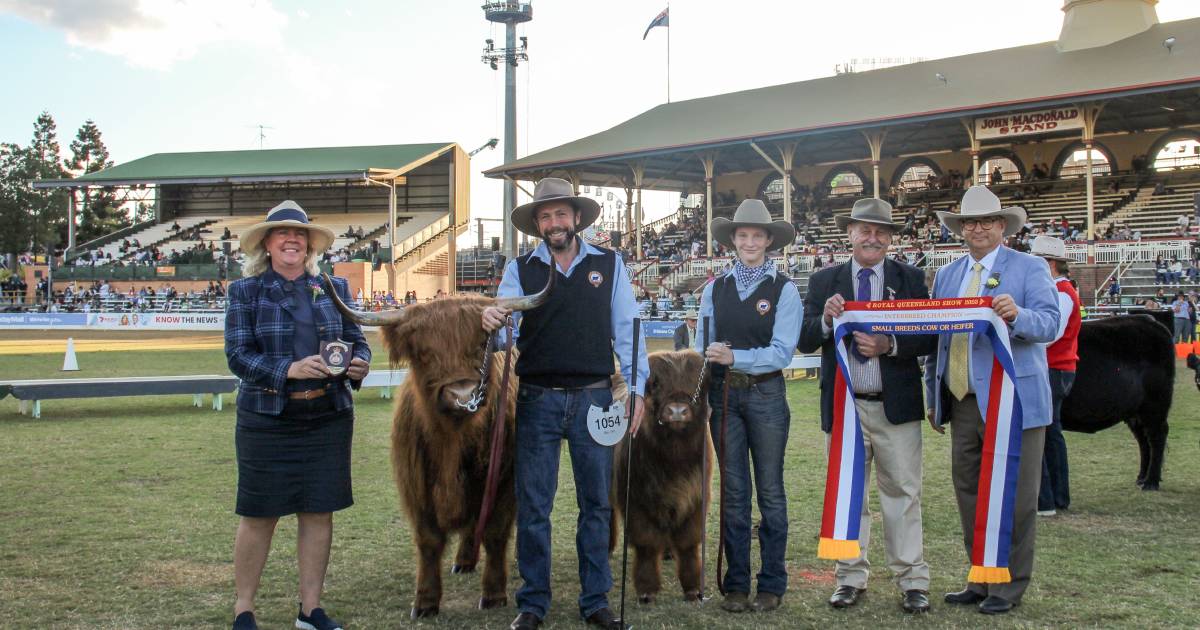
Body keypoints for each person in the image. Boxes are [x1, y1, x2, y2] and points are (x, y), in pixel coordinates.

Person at [481, 178, 648, 630]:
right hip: (537, 400)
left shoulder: (610, 265)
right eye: (545, 216)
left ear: (576, 218)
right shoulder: (520, 269)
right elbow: (500, 332)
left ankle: (595, 601)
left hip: (596, 398)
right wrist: (491, 319)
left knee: (596, 504)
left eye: (560, 214)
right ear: (537, 224)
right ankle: (532, 603)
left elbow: (629, 332)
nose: (553, 223)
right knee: (534, 506)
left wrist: (635, 391)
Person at [224, 200, 371, 630]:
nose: (293, 240)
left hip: (327, 416)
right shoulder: (244, 291)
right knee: (259, 514)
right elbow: (237, 356)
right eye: (283, 234)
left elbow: (356, 340)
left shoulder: (334, 288)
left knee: (318, 512)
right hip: (267, 418)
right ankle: (244, 609)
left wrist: (360, 363)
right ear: (266, 245)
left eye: (300, 234)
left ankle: (310, 610)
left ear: (309, 245)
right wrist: (287, 370)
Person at [924, 185, 1059, 615]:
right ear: (961, 229)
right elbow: (937, 341)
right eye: (970, 222)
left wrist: (1017, 315)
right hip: (963, 398)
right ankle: (981, 576)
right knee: (968, 490)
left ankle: (1009, 584)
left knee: (1016, 495)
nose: (977, 228)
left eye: (986, 221)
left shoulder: (1030, 267)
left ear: (1003, 226)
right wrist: (934, 393)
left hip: (1014, 399)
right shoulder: (947, 275)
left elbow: (1051, 325)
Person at [798, 198, 936, 614]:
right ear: (850, 234)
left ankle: (912, 579)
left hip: (895, 406)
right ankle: (849, 576)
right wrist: (825, 320)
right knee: (848, 496)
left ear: (890, 238)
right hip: (844, 408)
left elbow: (931, 335)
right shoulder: (825, 280)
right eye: (864, 229)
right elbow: (804, 339)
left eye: (880, 231)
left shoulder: (909, 277)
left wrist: (890, 345)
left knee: (903, 494)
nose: (872, 237)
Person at [695, 199, 800, 614]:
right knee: (735, 492)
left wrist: (735, 357)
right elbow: (704, 340)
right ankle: (737, 583)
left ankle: (771, 582)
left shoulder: (784, 289)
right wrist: (709, 354)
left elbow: (781, 352)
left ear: (769, 240)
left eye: (757, 235)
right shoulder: (715, 288)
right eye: (743, 235)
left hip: (766, 396)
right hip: (724, 398)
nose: (750, 241)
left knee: (770, 491)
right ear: (733, 241)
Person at [1029, 236, 1081, 518]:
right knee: (1051, 433)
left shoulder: (1060, 294)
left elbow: (1048, 334)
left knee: (1046, 433)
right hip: (1059, 367)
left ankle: (1050, 497)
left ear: (1049, 265)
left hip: (1053, 368)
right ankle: (1057, 495)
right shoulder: (1062, 291)